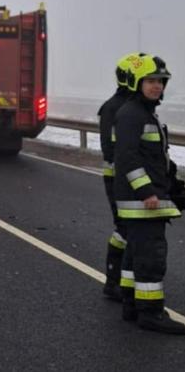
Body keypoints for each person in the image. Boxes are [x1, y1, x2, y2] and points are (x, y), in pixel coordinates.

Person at [114, 55, 184, 333]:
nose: (157, 86)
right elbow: (128, 158)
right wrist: (146, 192)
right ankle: (151, 313)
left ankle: (132, 305)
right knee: (151, 257)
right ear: (137, 83)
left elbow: (154, 158)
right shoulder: (133, 114)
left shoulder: (143, 113)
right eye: (151, 81)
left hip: (143, 200)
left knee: (134, 254)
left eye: (161, 82)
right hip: (143, 202)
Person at [98, 53, 146, 301]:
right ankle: (113, 279)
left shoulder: (135, 107)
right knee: (124, 229)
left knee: (133, 230)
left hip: (130, 178)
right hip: (118, 179)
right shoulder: (114, 108)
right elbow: (112, 149)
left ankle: (125, 282)